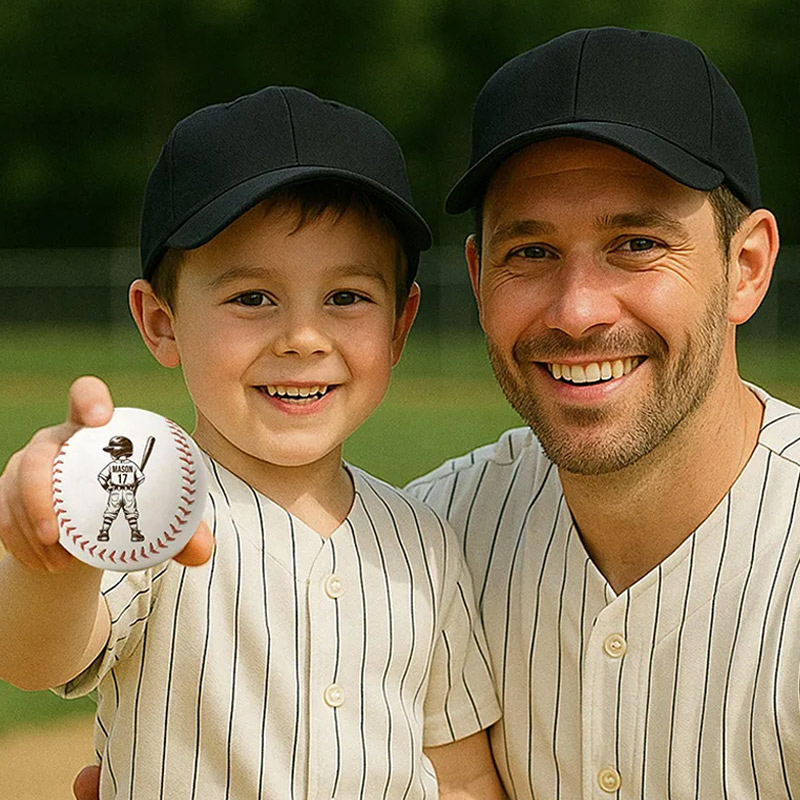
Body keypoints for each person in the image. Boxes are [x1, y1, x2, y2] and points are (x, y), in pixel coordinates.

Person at [0, 86, 504, 799]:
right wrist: (59, 553)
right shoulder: (150, 505)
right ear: (161, 321)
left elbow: (458, 771)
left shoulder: (425, 543)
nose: (303, 337)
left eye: (347, 297)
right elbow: (36, 658)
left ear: (399, 324)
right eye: (252, 298)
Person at [407, 27, 798, 799]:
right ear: (480, 278)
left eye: (638, 243)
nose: (578, 311)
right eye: (532, 252)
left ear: (745, 268)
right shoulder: (423, 547)